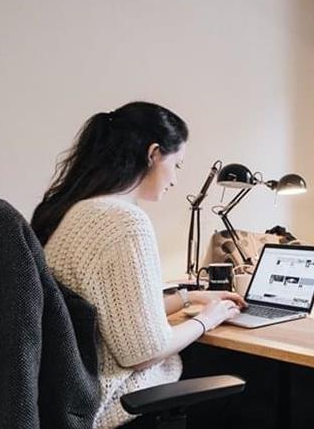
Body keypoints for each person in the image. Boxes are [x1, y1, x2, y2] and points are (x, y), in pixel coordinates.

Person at [31, 102, 246, 429]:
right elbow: (143, 351)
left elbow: (116, 315)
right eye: (177, 164)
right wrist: (208, 319)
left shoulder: (76, 211)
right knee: (247, 375)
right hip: (115, 405)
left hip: (66, 397)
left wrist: (192, 299)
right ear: (154, 153)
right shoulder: (124, 222)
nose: (175, 180)